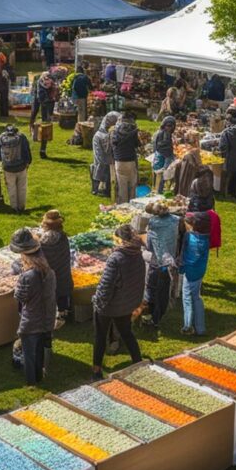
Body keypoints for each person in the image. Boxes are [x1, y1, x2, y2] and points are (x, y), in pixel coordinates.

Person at [92, 225, 145, 380]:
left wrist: (98, 302)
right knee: (126, 332)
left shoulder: (116, 259)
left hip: (110, 306)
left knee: (100, 336)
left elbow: (106, 286)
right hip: (127, 303)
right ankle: (138, 361)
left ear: (120, 241)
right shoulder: (137, 254)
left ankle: (96, 370)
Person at [9, 229, 58, 385]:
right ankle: (39, 375)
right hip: (47, 317)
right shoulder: (49, 272)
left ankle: (31, 381)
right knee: (39, 352)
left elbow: (19, 296)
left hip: (31, 320)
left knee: (29, 354)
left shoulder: (27, 276)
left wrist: (19, 282)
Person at [142, 202, 181, 330]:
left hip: (156, 262)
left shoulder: (153, 224)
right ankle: (157, 317)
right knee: (163, 292)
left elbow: (150, 246)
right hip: (169, 261)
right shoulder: (176, 220)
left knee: (151, 289)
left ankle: (152, 317)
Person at [179, 212, 211, 336]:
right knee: (196, 297)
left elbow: (189, 259)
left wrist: (180, 265)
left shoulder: (192, 239)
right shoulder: (205, 238)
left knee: (187, 298)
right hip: (200, 272)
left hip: (190, 273)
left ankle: (188, 326)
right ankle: (200, 328)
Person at [38, 210, 73, 318]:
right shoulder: (63, 237)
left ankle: (50, 315)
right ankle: (63, 312)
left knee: (50, 294)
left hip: (49, 277)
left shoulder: (43, 243)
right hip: (63, 275)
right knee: (62, 292)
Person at [0, 125, 32, 213]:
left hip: (8, 167)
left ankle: (14, 207)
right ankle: (21, 207)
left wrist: (2, 161)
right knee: (22, 187)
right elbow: (26, 150)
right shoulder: (21, 137)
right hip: (21, 166)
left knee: (11, 187)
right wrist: (28, 162)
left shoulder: (1, 137)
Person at [112, 111, 142, 204]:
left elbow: (114, 143)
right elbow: (137, 144)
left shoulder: (115, 130)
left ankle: (122, 206)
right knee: (132, 185)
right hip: (130, 160)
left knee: (122, 185)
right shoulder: (133, 130)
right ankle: (132, 204)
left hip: (119, 161)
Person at [91, 112, 120, 197]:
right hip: (102, 155)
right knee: (98, 165)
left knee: (110, 172)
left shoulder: (114, 131)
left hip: (111, 158)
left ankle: (108, 189)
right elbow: (99, 153)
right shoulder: (99, 135)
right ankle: (95, 188)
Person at [30, 72, 57, 159]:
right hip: (41, 104)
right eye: (46, 82)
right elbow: (40, 98)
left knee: (46, 127)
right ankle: (33, 132)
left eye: (48, 82)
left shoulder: (52, 84)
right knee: (37, 117)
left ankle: (42, 150)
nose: (47, 83)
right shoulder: (39, 84)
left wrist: (51, 111)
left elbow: (54, 97)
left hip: (47, 106)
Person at [153, 116, 176, 193]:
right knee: (163, 176)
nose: (170, 128)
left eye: (171, 126)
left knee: (158, 177)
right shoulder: (165, 134)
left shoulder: (158, 133)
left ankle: (158, 190)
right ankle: (160, 191)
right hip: (163, 159)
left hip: (158, 158)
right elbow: (167, 151)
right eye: (168, 126)